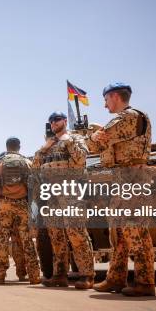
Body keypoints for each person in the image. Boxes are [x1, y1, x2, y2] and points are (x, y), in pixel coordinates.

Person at [86, 82, 155, 297]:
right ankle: (116, 278)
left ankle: (145, 281)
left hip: (131, 180)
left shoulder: (129, 117)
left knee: (134, 230)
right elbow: (97, 143)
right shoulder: (123, 119)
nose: (105, 105)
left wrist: (93, 135)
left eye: (106, 99)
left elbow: (98, 142)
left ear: (114, 96)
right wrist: (95, 135)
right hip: (121, 180)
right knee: (118, 234)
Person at [32, 112, 95, 289]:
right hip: (51, 193)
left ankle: (87, 275)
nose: (53, 123)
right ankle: (59, 274)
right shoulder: (48, 145)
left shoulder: (75, 138)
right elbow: (35, 168)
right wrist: (44, 148)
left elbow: (81, 160)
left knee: (75, 231)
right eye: (51, 121)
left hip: (70, 190)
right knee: (56, 234)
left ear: (65, 121)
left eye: (57, 120)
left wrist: (66, 140)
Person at [0, 137, 41, 285]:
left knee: (2, 240)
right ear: (19, 147)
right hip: (22, 204)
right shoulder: (27, 162)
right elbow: (36, 185)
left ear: (7, 147)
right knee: (27, 240)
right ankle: (34, 276)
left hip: (4, 204)